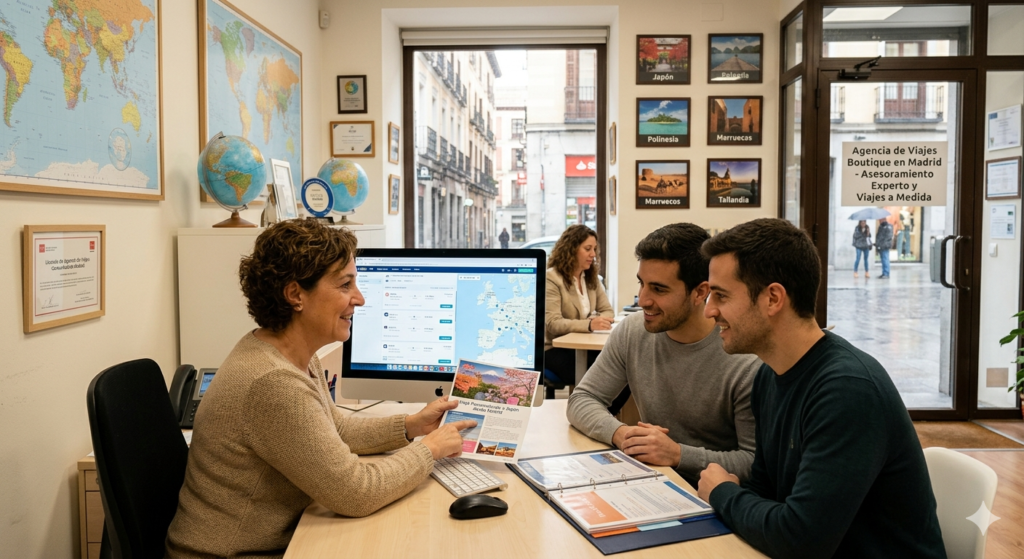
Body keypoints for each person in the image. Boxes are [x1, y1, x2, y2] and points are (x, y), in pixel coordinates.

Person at [166, 220, 476, 558]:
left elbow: (335, 429)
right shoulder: (272, 383)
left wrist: (411, 426)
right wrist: (428, 450)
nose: (359, 298)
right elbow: (355, 493)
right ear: (296, 295)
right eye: (345, 285)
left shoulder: (287, 352)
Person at [697, 218, 945, 559]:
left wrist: (723, 493)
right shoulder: (769, 376)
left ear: (772, 298)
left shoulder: (847, 391)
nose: (709, 310)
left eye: (720, 295)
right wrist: (738, 498)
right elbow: (765, 494)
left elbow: (800, 541)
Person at [567, 223, 760, 486]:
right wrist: (621, 434)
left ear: (700, 292)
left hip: (713, 499)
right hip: (650, 483)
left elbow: (755, 462)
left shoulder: (744, 358)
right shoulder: (633, 332)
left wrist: (678, 454)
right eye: (641, 283)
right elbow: (583, 399)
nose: (642, 299)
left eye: (659, 289)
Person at [544, 225, 614, 389]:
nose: (593, 254)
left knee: (620, 367)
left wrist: (594, 321)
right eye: (588, 248)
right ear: (571, 249)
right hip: (555, 349)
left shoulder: (591, 278)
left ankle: (603, 413)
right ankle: (591, 412)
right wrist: (589, 324)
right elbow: (553, 323)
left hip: (581, 346)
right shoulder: (552, 278)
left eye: (595, 249)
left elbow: (607, 310)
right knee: (604, 377)